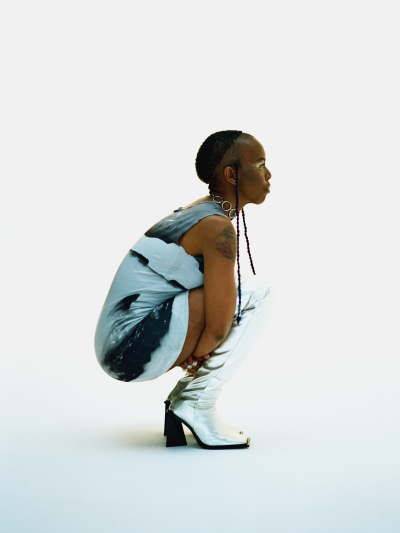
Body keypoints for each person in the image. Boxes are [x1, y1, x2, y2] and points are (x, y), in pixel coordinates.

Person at [94, 130, 274, 450]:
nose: (269, 174)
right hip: (127, 349)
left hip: (120, 343)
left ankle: (185, 399)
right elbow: (218, 326)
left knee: (239, 293)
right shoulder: (216, 227)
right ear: (231, 175)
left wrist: (195, 350)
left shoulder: (205, 212)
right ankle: (196, 403)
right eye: (260, 165)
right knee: (257, 294)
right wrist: (197, 355)